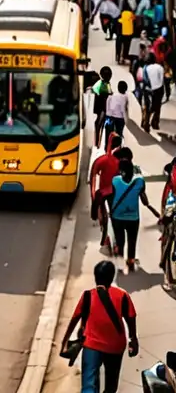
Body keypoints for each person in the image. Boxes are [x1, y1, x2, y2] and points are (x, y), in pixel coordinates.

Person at [59, 260, 138, 393]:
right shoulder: (122, 296)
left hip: (92, 346)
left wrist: (64, 342)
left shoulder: (88, 295)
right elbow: (131, 318)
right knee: (111, 386)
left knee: (89, 385)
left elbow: (74, 319)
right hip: (115, 346)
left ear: (95, 277)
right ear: (112, 277)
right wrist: (133, 339)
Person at [110, 158, 160, 268]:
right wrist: (151, 208)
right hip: (133, 217)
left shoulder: (115, 180)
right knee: (132, 240)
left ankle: (120, 263)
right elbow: (144, 199)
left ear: (122, 171)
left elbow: (113, 197)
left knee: (120, 240)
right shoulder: (140, 182)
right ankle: (131, 261)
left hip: (117, 216)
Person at [90, 134, 122, 252]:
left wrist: (93, 195)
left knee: (103, 215)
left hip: (104, 192)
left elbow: (93, 176)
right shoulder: (122, 160)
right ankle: (117, 243)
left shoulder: (102, 160)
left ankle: (106, 238)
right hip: (118, 192)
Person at [143, 54, 166, 132]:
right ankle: (155, 123)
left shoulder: (145, 68)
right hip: (158, 90)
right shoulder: (160, 67)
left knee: (148, 106)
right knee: (157, 106)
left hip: (148, 89)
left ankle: (146, 123)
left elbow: (144, 79)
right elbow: (161, 80)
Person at [91, 67, 112, 149]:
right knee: (100, 124)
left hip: (101, 107)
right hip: (103, 107)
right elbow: (108, 94)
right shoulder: (104, 84)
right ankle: (97, 143)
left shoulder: (103, 83)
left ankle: (97, 142)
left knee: (99, 124)